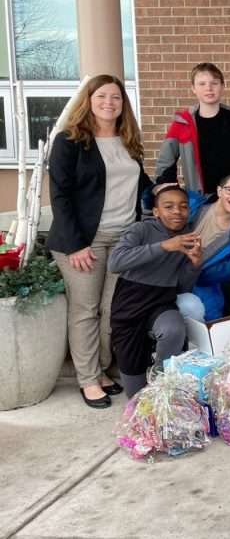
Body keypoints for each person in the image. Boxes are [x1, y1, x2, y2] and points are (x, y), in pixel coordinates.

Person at [47, 74, 152, 408]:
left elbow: (140, 182)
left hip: (123, 238)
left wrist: (165, 189)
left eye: (116, 97)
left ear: (124, 103)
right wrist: (76, 244)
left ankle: (102, 370)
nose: (110, 103)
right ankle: (88, 378)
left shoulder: (127, 140)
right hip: (85, 240)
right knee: (86, 310)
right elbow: (59, 195)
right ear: (89, 100)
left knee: (112, 310)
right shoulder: (70, 141)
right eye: (102, 96)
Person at [108, 184, 201, 398]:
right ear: (156, 211)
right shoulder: (141, 229)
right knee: (136, 396)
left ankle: (161, 382)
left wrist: (194, 265)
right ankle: (143, 386)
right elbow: (115, 262)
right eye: (169, 206)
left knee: (174, 329)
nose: (177, 211)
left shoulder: (187, 237)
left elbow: (183, 286)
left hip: (161, 303)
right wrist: (164, 246)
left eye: (183, 206)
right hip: (130, 306)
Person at [155, 63, 230, 214]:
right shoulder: (182, 123)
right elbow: (165, 162)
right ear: (193, 88)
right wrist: (171, 194)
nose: (209, 88)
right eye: (202, 83)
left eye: (214, 83)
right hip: (200, 201)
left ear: (222, 86)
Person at [181, 170, 230, 321]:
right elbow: (154, 201)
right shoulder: (192, 203)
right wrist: (155, 190)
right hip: (163, 274)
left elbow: (207, 278)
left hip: (195, 287)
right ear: (219, 190)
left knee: (212, 308)